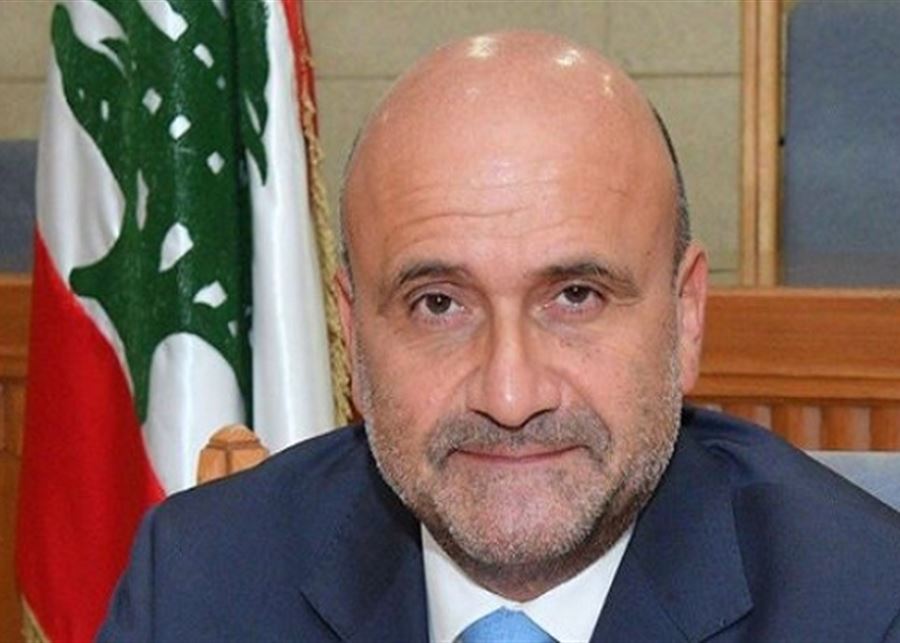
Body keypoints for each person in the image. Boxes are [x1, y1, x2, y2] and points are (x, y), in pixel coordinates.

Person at [100, 32, 900, 642]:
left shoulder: (865, 606)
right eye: (438, 304)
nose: (510, 395)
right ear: (351, 332)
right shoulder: (200, 586)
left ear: (686, 316)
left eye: (576, 296)